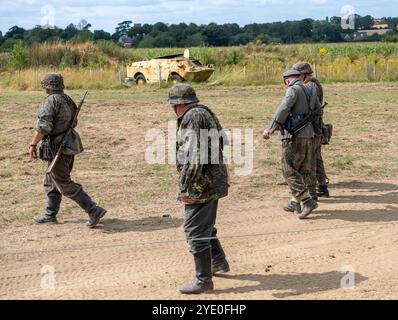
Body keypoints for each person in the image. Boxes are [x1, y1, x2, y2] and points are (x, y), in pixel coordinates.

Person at [168, 83, 230, 294]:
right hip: (213, 178)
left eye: (173, 105)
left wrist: (185, 186)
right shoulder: (204, 111)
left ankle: (203, 280)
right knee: (205, 226)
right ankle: (218, 261)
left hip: (202, 183)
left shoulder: (193, 117)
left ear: (179, 104)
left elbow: (195, 156)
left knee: (194, 230)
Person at [28, 73, 106, 228]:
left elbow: (44, 126)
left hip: (58, 147)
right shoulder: (67, 99)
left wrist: (33, 144)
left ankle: (93, 209)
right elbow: (74, 121)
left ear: (47, 87)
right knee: (51, 181)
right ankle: (50, 215)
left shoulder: (50, 101)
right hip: (67, 144)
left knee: (63, 182)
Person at [263, 70, 319, 219]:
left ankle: (307, 201)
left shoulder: (293, 90)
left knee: (288, 169)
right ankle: (295, 202)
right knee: (302, 169)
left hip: (294, 136)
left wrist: (270, 129)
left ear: (287, 80)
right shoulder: (311, 89)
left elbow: (283, 108)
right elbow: (318, 110)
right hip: (309, 135)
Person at [292, 62, 330, 198]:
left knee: (311, 160)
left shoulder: (310, 85)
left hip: (312, 127)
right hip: (315, 126)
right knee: (316, 157)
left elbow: (313, 109)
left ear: (303, 74)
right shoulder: (315, 83)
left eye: (297, 74)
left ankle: (312, 191)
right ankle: (323, 186)